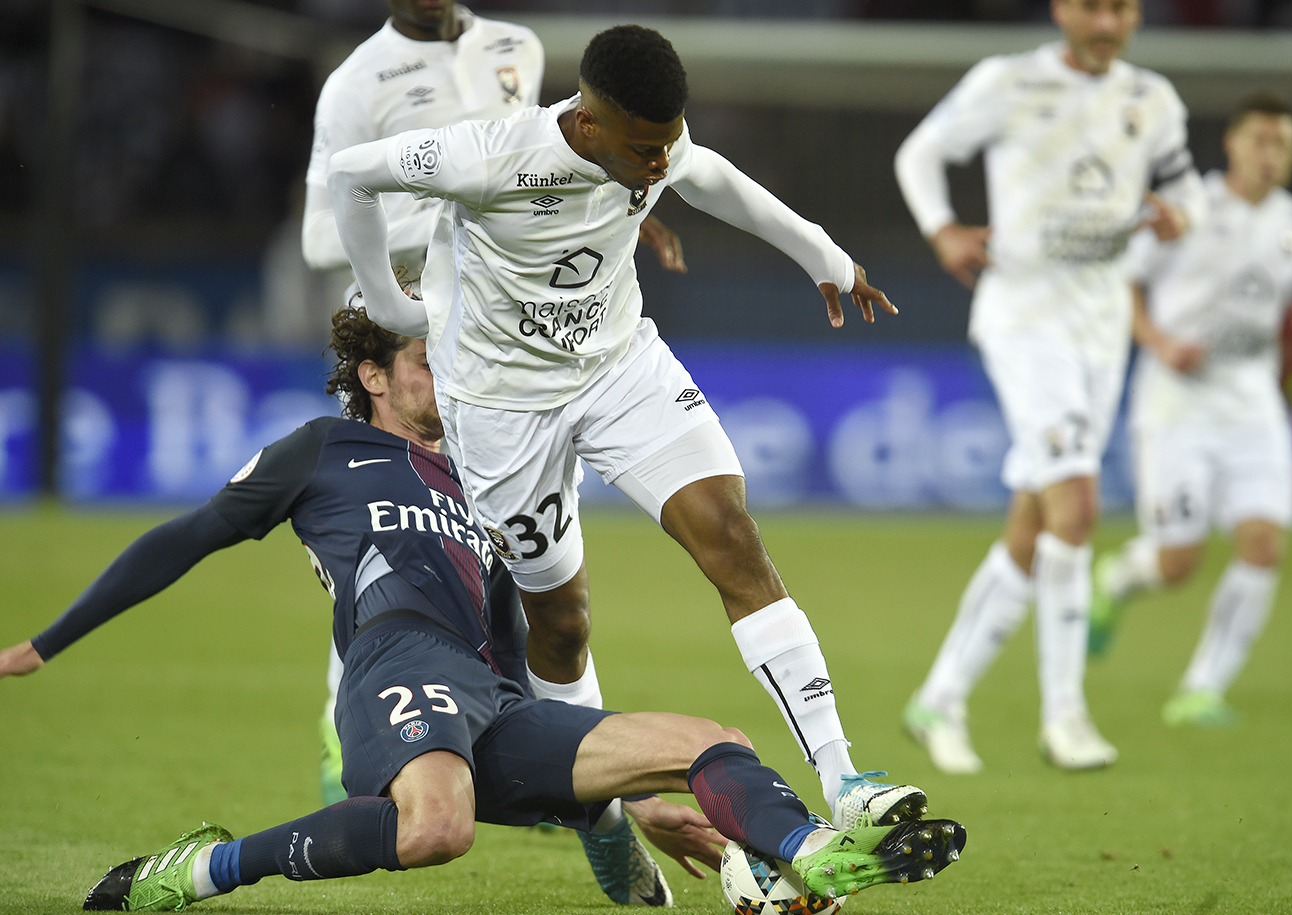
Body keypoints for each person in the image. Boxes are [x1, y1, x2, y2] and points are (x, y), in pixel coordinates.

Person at [0, 311, 967, 913]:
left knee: (711, 739)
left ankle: (810, 851)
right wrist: (49, 639)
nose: (446, 372)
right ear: (374, 375)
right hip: (393, 662)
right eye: (426, 357)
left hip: (488, 695)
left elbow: (516, 642)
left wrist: (614, 792)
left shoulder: (487, 478)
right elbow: (188, 535)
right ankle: (205, 869)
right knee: (435, 828)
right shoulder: (320, 449)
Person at [326, 23, 926, 832]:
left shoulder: (655, 144)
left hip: (620, 368)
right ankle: (603, 823)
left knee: (731, 533)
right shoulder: (489, 154)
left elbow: (707, 174)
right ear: (588, 122)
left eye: (665, 144)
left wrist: (820, 251)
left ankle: (844, 778)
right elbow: (353, 174)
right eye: (644, 149)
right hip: (504, 407)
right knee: (562, 623)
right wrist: (393, 306)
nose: (658, 163)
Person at [301, 5, 689, 895]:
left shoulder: (519, 46)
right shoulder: (356, 85)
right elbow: (326, 230)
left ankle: (589, 800)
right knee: (396, 552)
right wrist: (460, 209)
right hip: (417, 345)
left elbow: (557, 166)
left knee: (548, 591)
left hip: (517, 360)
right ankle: (349, 730)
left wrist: (597, 215)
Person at [894, 0, 1207, 773]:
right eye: (1093, 7)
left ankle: (939, 696)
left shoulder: (1153, 99)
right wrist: (942, 228)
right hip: (1024, 321)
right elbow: (921, 153)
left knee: (1034, 527)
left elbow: (1187, 191)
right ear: (1064, 10)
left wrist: (1179, 217)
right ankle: (1065, 716)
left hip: (1101, 332)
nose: (1108, 22)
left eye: (1123, 8)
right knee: (1078, 503)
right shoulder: (1009, 82)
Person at [1089, 92, 1292, 727]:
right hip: (1175, 398)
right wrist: (1157, 341)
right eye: (1259, 141)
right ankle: (1119, 578)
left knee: (1264, 544)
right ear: (1232, 144)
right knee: (1179, 561)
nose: (1271, 155)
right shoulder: (1190, 209)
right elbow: (1120, 281)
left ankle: (1202, 688)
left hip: (1252, 397)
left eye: (1282, 144)